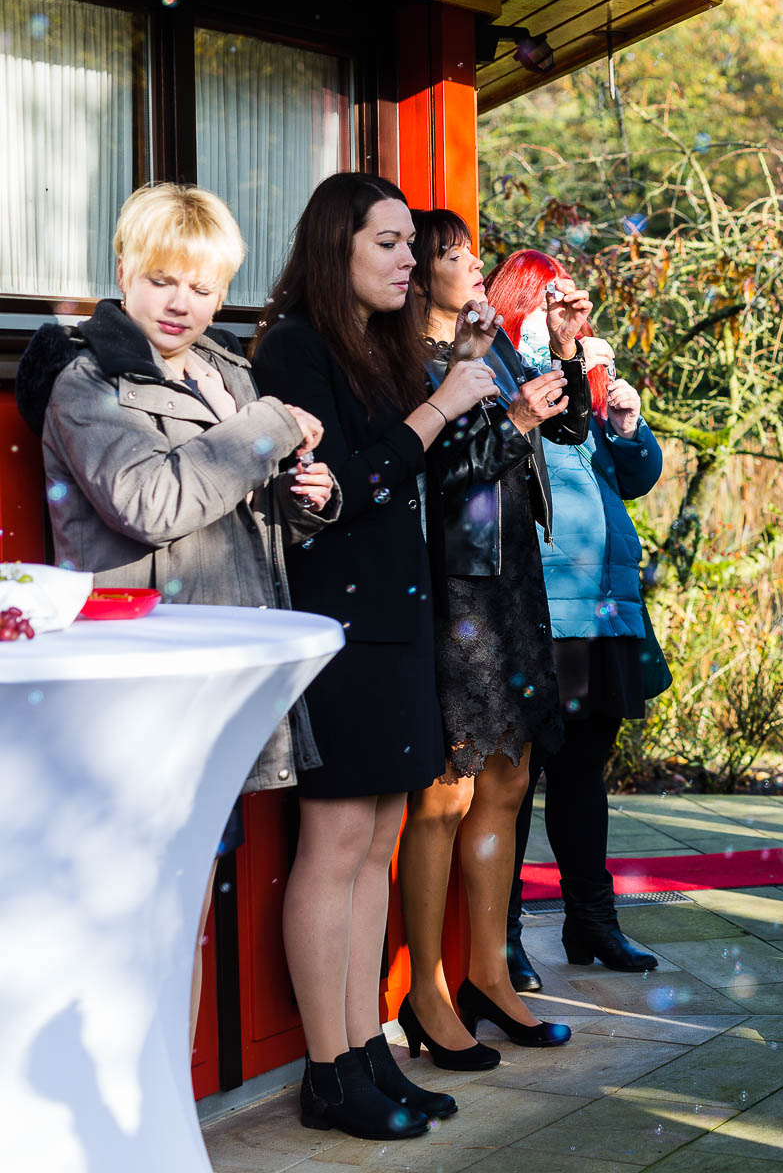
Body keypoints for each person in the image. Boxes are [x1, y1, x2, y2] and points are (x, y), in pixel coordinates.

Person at [18, 181, 340, 1050]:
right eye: (163, 279)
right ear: (123, 269)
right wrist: (267, 430)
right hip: (135, 688)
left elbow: (245, 510)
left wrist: (307, 496)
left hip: (215, 686)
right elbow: (149, 501)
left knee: (184, 912)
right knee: (134, 924)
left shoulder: (229, 372)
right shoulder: (86, 380)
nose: (182, 303)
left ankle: (162, 1126)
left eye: (201, 286)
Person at [252, 171, 490, 1139]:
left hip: (396, 619)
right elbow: (340, 490)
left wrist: (451, 377)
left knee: (379, 844)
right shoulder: (295, 346)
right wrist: (442, 406)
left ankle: (364, 1053)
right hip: (337, 627)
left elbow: (399, 472)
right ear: (335, 247)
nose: (410, 260)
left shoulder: (382, 348)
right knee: (336, 846)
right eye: (389, 243)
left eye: (410, 243)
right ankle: (326, 1071)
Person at [394, 211, 592, 1065]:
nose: (473, 265)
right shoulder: (407, 358)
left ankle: (488, 976)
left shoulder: (498, 345)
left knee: (508, 786)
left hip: (514, 583)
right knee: (444, 793)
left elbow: (573, 430)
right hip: (454, 591)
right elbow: (437, 476)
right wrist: (510, 418)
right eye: (452, 255)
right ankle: (427, 994)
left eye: (473, 251)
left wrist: (567, 351)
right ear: (420, 275)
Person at [491, 250, 669, 984]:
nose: (561, 311)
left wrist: (625, 425)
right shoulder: (505, 374)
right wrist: (563, 371)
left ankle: (591, 922)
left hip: (603, 596)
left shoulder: (583, 376)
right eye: (545, 299)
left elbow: (629, 479)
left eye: (568, 300)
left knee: (583, 773)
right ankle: (498, 937)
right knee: (513, 777)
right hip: (542, 595)